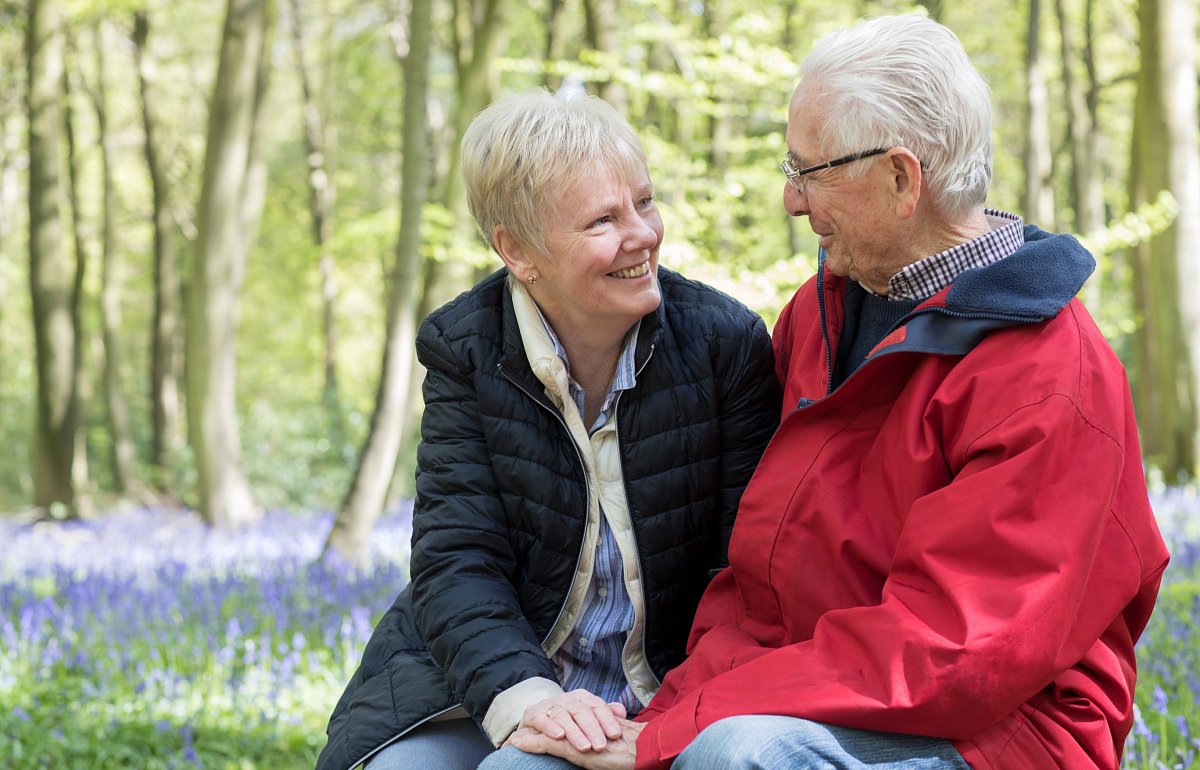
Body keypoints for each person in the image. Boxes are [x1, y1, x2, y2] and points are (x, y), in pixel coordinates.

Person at [494, 14, 1170, 770]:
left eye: (808, 171)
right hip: (799, 687)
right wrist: (658, 719)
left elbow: (955, 653)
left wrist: (676, 733)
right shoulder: (818, 316)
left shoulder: (1051, 378)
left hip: (1003, 730)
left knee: (738, 757)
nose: (790, 199)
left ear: (900, 178)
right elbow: (755, 592)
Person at [314, 89, 783, 770]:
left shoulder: (726, 345)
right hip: (492, 677)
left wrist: (669, 719)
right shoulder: (464, 348)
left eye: (645, 203)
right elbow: (457, 561)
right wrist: (529, 698)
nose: (643, 235)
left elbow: (743, 573)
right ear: (518, 251)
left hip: (668, 691)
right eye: (602, 220)